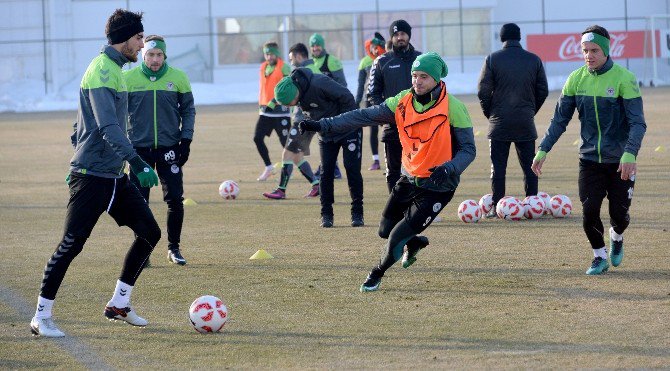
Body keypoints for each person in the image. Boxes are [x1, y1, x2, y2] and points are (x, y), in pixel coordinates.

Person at [30, 9, 161, 337]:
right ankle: (41, 317)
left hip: (114, 176)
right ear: (124, 39)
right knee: (72, 245)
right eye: (139, 38)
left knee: (149, 232)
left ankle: (119, 303)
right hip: (91, 177)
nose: (142, 45)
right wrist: (139, 161)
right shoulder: (103, 70)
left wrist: (92, 149)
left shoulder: (114, 69)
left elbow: (80, 126)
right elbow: (106, 127)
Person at [299, 52, 476, 291]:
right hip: (409, 178)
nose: (418, 81)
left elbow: (468, 150)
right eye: (415, 76)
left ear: (436, 79)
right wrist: (324, 125)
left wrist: (450, 168)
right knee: (384, 231)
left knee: (395, 238)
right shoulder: (401, 102)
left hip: (438, 186)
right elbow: (362, 116)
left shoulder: (454, 107)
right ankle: (414, 243)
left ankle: (375, 275)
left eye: (424, 76)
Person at [531, 25, 646, 275]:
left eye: (594, 50)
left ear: (605, 50)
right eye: (585, 50)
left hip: (620, 160)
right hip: (589, 159)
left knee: (620, 215)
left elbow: (638, 123)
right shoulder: (575, 79)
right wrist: (543, 149)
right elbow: (559, 120)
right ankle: (599, 256)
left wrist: (630, 153)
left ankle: (616, 236)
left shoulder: (624, 78)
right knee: (589, 209)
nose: (588, 55)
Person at [124, 34, 196, 265]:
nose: (155, 59)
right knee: (138, 202)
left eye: (159, 55)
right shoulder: (128, 79)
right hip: (138, 151)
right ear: (143, 55)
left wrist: (186, 140)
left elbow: (188, 111)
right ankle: (142, 252)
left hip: (170, 149)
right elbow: (117, 113)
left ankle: (174, 248)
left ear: (165, 55)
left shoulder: (179, 78)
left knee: (175, 200)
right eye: (150, 55)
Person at [273, 68, 363, 227]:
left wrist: (342, 123)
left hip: (349, 128)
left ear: (294, 94)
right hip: (326, 133)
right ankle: (326, 215)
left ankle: (357, 213)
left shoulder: (319, 83)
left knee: (352, 169)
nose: (288, 107)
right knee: (326, 172)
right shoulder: (298, 93)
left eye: (288, 103)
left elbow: (347, 97)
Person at [477, 23, 548, 217]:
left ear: (502, 38)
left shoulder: (492, 59)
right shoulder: (534, 59)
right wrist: (530, 111)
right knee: (529, 167)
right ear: (519, 37)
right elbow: (543, 91)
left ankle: (498, 206)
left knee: (498, 167)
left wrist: (490, 113)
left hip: (499, 122)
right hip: (525, 121)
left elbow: (482, 91)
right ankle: (532, 205)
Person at [367, 20, 422, 193]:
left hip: (420, 125)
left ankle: (418, 208)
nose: (400, 37)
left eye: (403, 34)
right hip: (393, 125)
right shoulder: (382, 61)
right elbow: (372, 94)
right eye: (396, 34)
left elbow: (435, 87)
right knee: (393, 172)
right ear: (392, 37)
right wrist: (387, 114)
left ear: (408, 35)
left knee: (421, 168)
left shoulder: (421, 59)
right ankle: (395, 211)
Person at [263, 43, 320, 199]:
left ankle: (281, 190)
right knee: (296, 157)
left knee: (286, 155)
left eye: (291, 58)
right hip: (312, 120)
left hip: (302, 120)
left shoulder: (300, 72)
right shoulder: (315, 69)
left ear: (298, 56)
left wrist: (273, 102)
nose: (291, 62)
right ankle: (316, 186)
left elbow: (285, 89)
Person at [254, 41, 291, 181]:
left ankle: (289, 169)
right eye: (266, 54)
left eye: (271, 54)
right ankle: (269, 167)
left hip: (281, 112)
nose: (269, 57)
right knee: (257, 138)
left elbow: (288, 87)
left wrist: (275, 101)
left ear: (277, 54)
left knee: (286, 143)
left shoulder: (284, 68)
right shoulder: (263, 67)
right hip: (265, 112)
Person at [309, 33, 344, 179]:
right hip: (319, 108)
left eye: (318, 45)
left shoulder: (332, 61)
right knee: (324, 138)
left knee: (329, 137)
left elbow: (342, 84)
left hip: (332, 107)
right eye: (313, 45)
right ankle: (329, 167)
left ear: (322, 46)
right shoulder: (310, 63)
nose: (315, 48)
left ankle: (331, 168)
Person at [355, 32, 386, 171]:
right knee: (372, 130)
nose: (374, 49)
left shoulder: (386, 58)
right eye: (372, 47)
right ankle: (376, 160)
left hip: (385, 99)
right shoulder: (364, 62)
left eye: (377, 46)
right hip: (369, 99)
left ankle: (391, 157)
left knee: (387, 128)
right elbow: (361, 84)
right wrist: (356, 101)